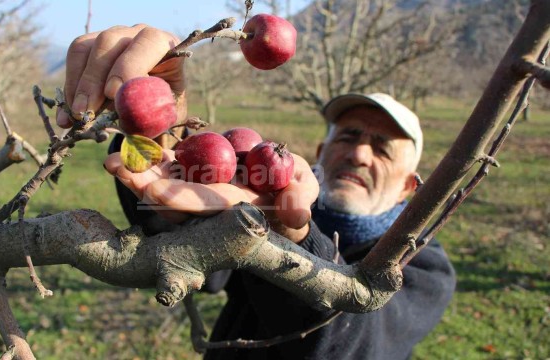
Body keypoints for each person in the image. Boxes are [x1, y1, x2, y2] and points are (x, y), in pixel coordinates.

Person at [58, 24, 456, 360]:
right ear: (321, 151)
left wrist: (288, 234)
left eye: (383, 148)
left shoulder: (424, 269)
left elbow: (349, 346)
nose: (359, 154)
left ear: (410, 185)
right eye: (349, 136)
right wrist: (158, 128)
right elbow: (195, 255)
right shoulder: (258, 194)